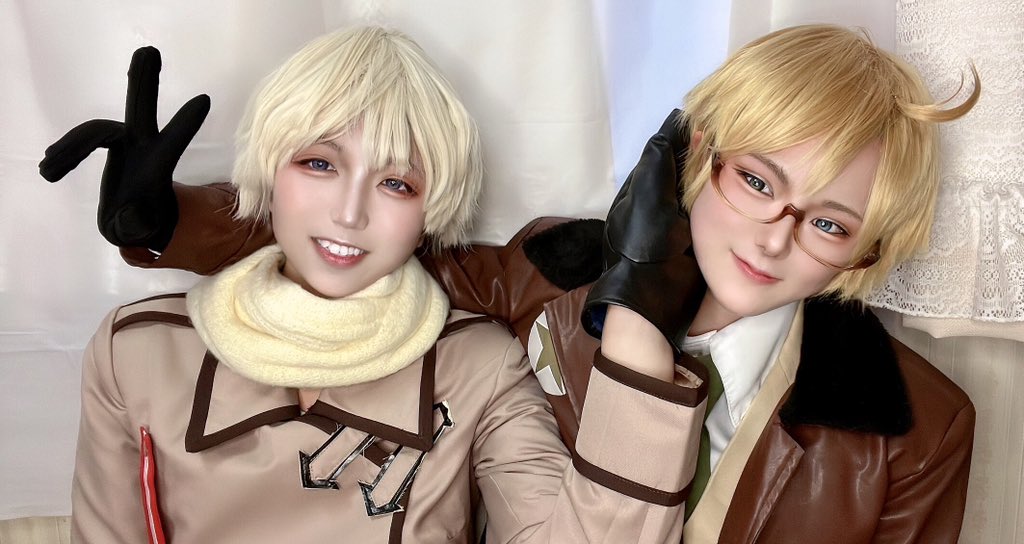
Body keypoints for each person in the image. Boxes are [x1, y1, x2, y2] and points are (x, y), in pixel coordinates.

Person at [42, 24, 981, 543]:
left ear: (866, 253)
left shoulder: (920, 425)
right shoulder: (551, 272)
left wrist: (639, 336)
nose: (772, 240)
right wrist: (174, 223)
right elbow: (368, 238)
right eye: (758, 183)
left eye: (828, 225)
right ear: (698, 154)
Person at [56, 26, 709, 543]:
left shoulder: (478, 368)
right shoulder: (136, 351)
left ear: (430, 211)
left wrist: (638, 336)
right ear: (268, 170)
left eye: (396, 183)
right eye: (319, 164)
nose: (350, 213)